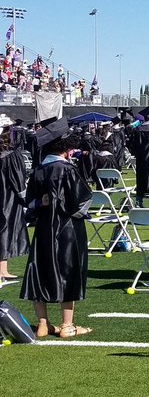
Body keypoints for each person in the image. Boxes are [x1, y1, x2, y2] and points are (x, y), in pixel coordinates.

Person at [21, 119, 92, 338]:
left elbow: (28, 203)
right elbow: (81, 202)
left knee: (40, 269)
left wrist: (42, 203)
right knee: (68, 271)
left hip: (43, 228)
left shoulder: (39, 171)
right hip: (67, 229)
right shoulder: (68, 169)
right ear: (66, 148)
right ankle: (67, 325)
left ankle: (43, 324)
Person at [0, 114, 29, 282]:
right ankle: (2, 271)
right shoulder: (10, 154)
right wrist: (25, 196)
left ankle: (3, 270)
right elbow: (18, 179)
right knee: (5, 231)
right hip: (7, 199)